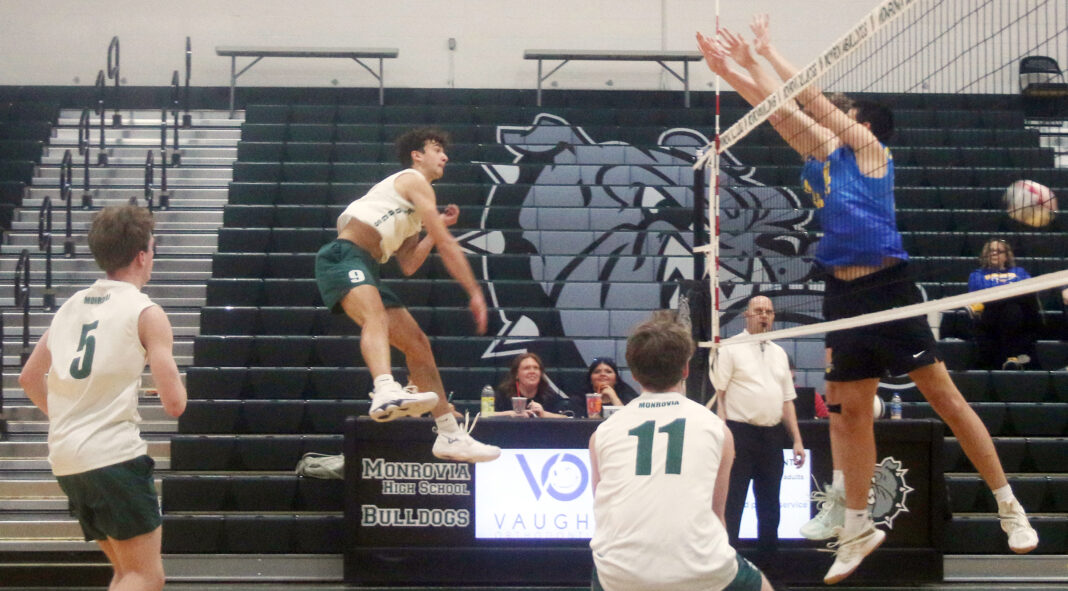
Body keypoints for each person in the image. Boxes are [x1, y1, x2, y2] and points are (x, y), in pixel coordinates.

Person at [698, 15, 1038, 583]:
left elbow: (804, 98)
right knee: (849, 410)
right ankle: (857, 526)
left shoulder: (873, 153)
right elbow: (781, 110)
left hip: (888, 285)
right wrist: (733, 69)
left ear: (861, 124)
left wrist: (768, 51)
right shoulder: (822, 161)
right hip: (843, 291)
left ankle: (1009, 505)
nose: (830, 117)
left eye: (841, 114)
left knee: (946, 399)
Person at [18, 205, 187, 591]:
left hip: (67, 459)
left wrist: (69, 417)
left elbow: (28, 377)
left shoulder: (71, 306)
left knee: (126, 573)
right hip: (113, 458)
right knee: (147, 576)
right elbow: (175, 403)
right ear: (142, 255)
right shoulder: (146, 312)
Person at [314, 127, 499, 463]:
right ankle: (384, 386)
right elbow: (446, 244)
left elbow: (409, 264)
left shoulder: (414, 211)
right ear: (417, 154)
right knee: (376, 316)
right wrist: (474, 290)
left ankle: (449, 435)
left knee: (418, 343)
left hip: (368, 265)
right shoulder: (413, 180)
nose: (445, 156)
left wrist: (432, 229)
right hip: (342, 255)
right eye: (436, 149)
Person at [589, 312, 775, 591]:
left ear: (634, 372)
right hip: (701, 570)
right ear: (686, 369)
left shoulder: (602, 433)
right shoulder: (717, 429)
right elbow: (717, 515)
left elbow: (604, 508)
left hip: (618, 573)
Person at [711, 295, 805, 552]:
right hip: (739, 435)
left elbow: (788, 401)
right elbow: (719, 394)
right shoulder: (730, 348)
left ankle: (770, 572)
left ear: (773, 317)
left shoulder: (780, 354)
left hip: (772, 438)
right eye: (758, 310)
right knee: (733, 505)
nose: (764, 315)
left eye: (769, 311)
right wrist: (722, 435)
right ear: (747, 315)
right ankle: (727, 568)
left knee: (770, 508)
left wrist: (796, 439)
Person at [967, 239, 1041, 370]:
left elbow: (1030, 289)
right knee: (1010, 306)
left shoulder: (1019, 271)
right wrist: (1010, 289)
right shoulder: (977, 274)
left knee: (1013, 309)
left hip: (1018, 314)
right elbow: (980, 290)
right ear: (986, 255)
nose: (994, 254)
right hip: (990, 316)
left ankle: (1011, 359)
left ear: (1006, 256)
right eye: (991, 251)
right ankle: (1011, 357)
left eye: (999, 251)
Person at [494, 352, 572, 418]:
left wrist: (544, 414)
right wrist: (510, 414)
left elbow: (566, 418)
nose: (532, 371)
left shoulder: (549, 394)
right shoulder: (503, 393)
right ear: (516, 374)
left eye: (536, 368)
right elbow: (484, 415)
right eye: (526, 368)